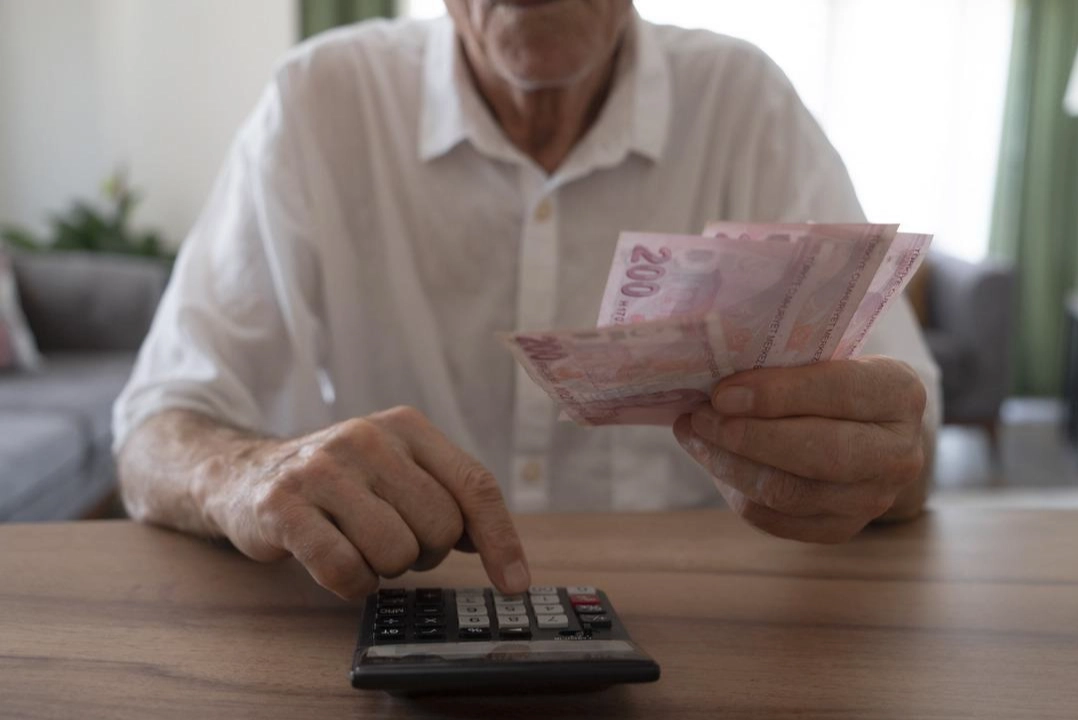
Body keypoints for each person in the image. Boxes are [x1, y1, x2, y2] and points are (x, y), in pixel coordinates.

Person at [113, 0, 940, 601]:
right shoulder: (319, 97)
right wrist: (249, 473)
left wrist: (877, 461)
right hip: (392, 613)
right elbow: (155, 428)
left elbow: (908, 441)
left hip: (706, 622)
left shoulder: (744, 99)